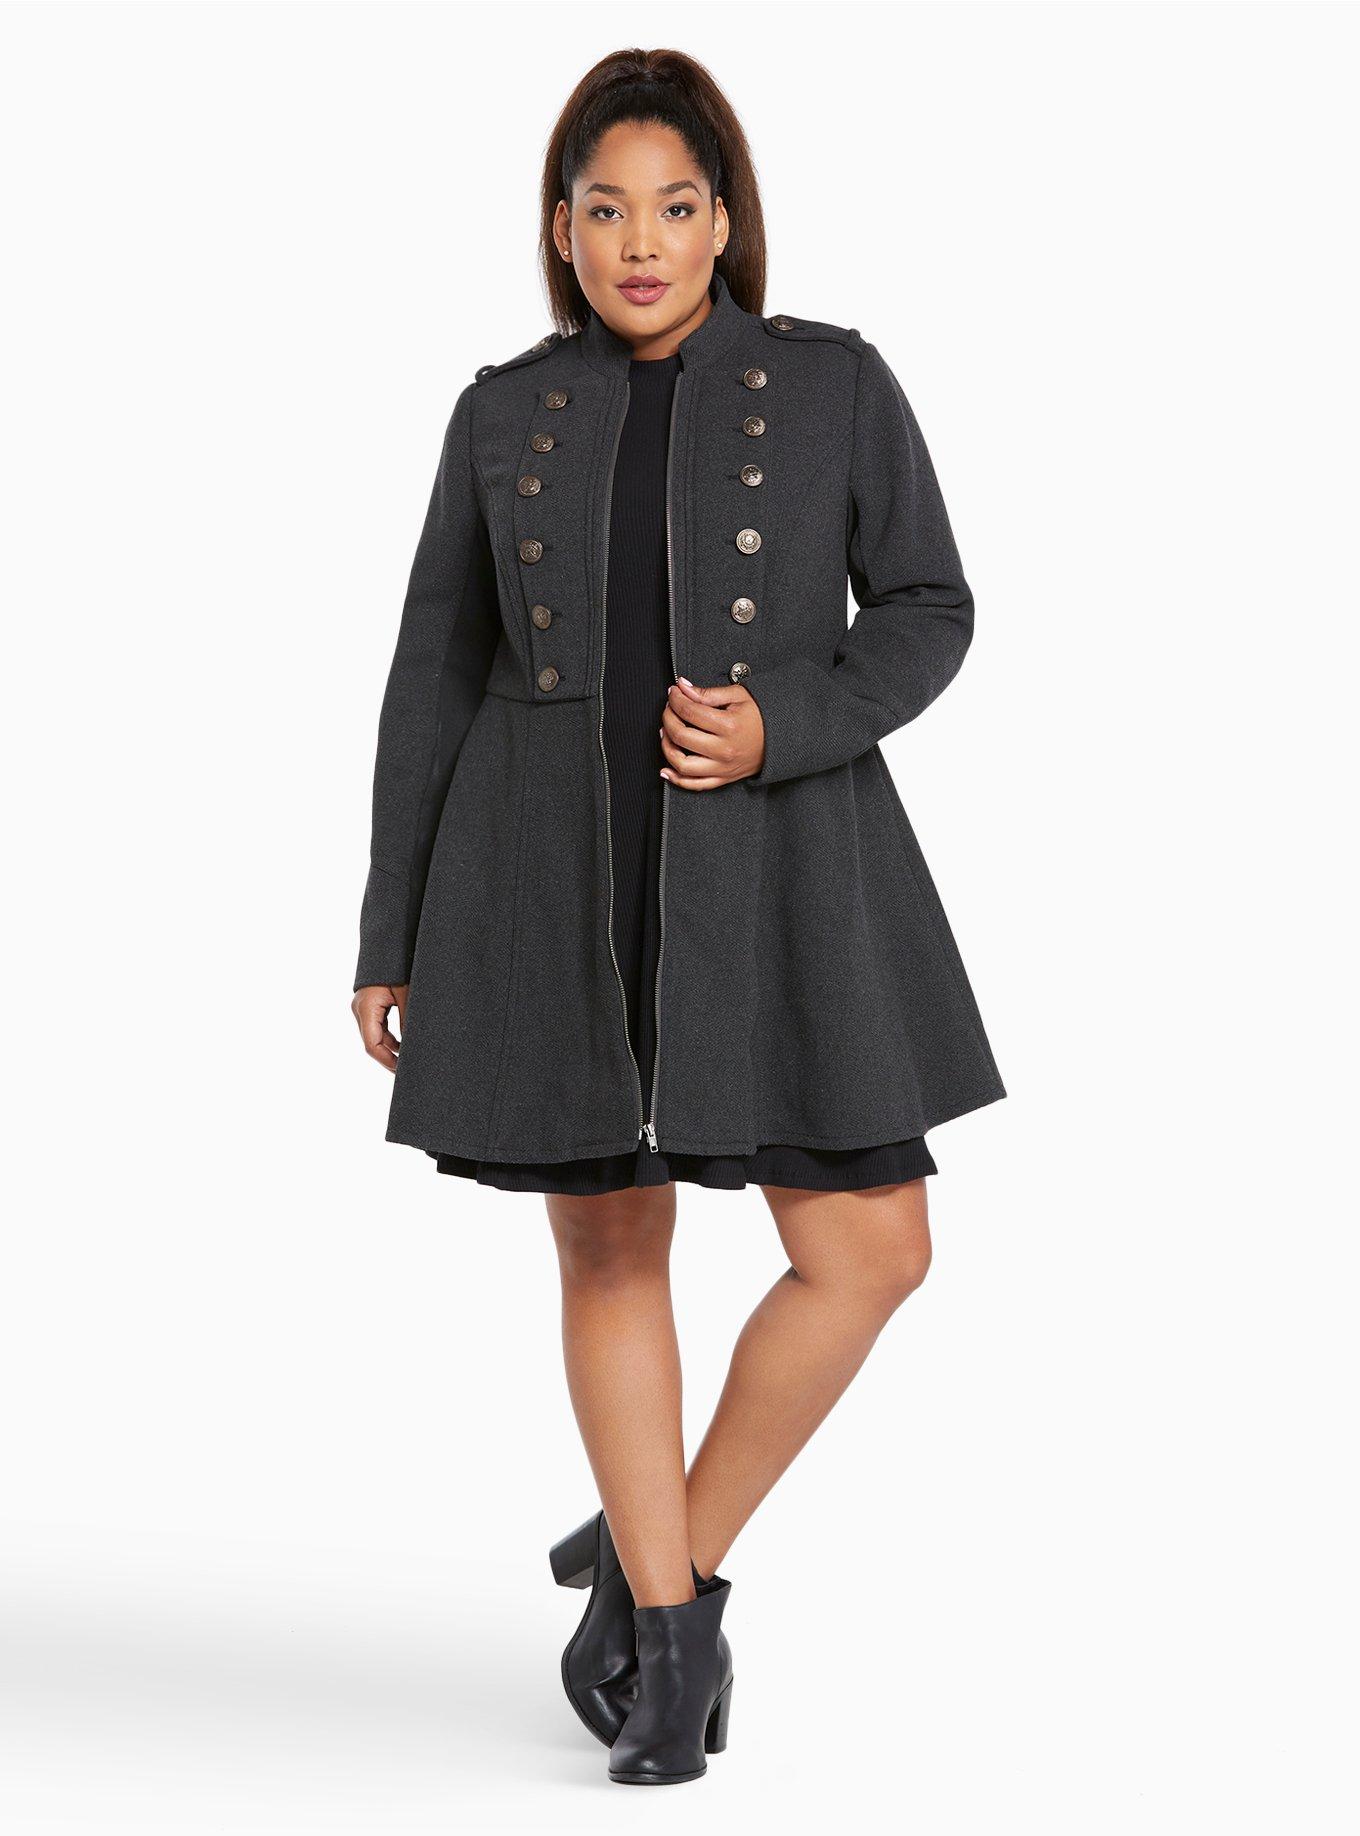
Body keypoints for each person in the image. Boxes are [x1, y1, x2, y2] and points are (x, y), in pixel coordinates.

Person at [352, 45, 1005, 1786]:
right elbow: (437, 668)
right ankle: (667, 1651)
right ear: (561, 231)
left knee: (873, 1249)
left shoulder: (836, 383)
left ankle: (662, 1550)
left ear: (726, 221)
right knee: (611, 1242)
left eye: (674, 206)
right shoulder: (501, 411)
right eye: (604, 209)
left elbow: (929, 604)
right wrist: (391, 928)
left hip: (780, 869)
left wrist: (785, 721)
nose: (640, 241)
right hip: (547, 875)